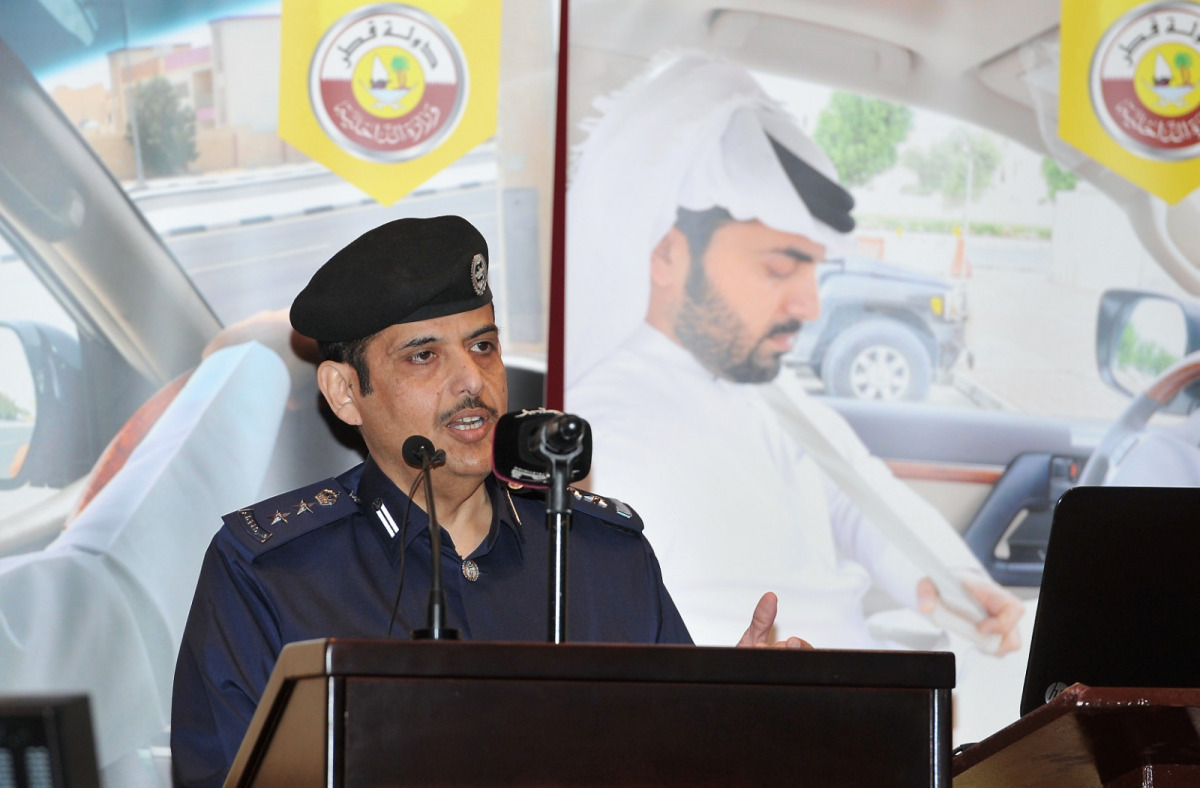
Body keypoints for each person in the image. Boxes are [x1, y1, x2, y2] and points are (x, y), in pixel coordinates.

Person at [170, 215, 804, 788]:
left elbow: (676, 766)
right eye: (424, 356)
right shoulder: (270, 575)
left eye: (483, 346)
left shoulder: (602, 556)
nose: (472, 380)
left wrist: (733, 723)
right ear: (343, 392)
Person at [566, 52, 1024, 653]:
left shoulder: (763, 391)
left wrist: (949, 581)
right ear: (668, 255)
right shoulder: (604, 432)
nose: (810, 306)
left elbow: (858, 499)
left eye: (812, 271)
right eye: (780, 267)